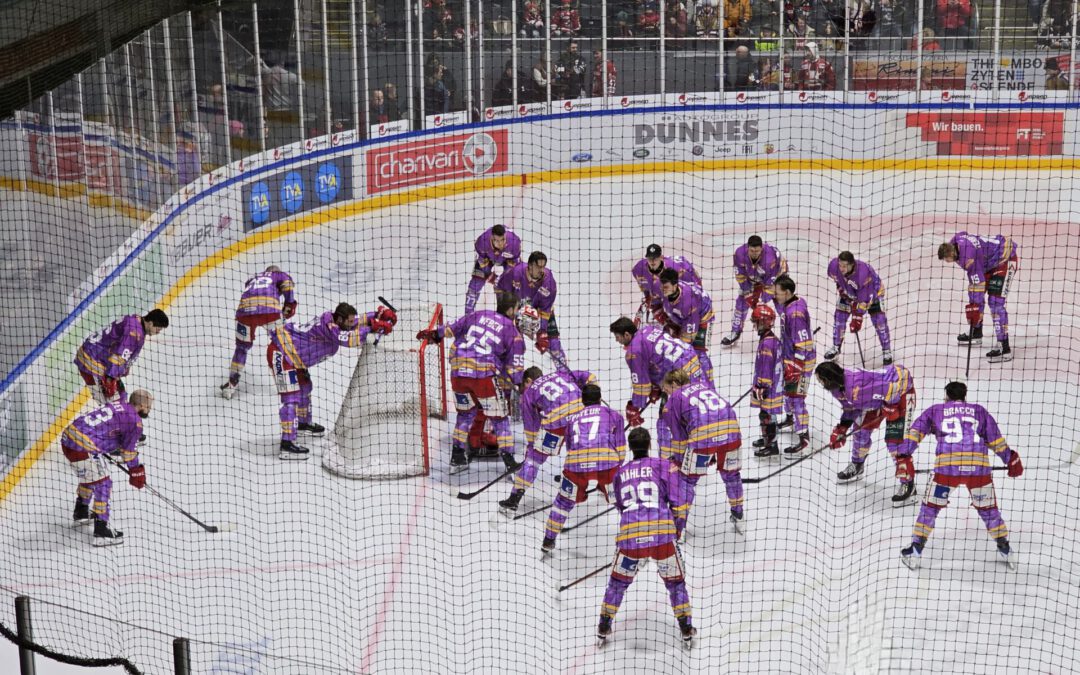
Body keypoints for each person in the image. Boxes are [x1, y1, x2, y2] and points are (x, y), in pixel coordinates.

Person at [896, 381, 1021, 570]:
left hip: (947, 470)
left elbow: (915, 433)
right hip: (978, 469)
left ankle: (915, 551)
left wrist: (904, 456)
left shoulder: (936, 410)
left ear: (946, 395)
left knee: (930, 508)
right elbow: (995, 439)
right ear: (964, 396)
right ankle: (1005, 549)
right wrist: (1010, 458)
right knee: (989, 510)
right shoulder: (979, 411)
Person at [597, 427, 696, 645]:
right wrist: (676, 529)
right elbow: (679, 502)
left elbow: (619, 505)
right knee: (675, 583)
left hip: (631, 538)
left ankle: (604, 624)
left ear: (630, 447)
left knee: (617, 583)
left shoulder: (619, 473)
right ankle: (686, 627)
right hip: (662, 536)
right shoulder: (664, 465)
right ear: (650, 444)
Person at [269, 303, 396, 460]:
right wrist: (374, 327)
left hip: (295, 359)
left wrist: (378, 315)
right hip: (281, 354)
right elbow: (350, 339)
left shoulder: (337, 320)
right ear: (340, 319)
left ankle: (302, 423)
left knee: (305, 388)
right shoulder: (330, 328)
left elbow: (358, 319)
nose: (352, 324)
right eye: (349, 322)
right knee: (291, 398)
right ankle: (287, 444)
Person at [417, 294, 528, 473]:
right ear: (510, 310)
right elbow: (515, 370)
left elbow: (448, 329)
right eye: (516, 308)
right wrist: (518, 386)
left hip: (458, 372)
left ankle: (457, 458)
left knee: (465, 415)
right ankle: (510, 462)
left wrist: (434, 335)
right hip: (483, 376)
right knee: (499, 418)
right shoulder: (512, 332)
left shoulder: (477, 314)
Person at [816, 361, 918, 505]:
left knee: (895, 442)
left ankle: (908, 484)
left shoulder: (856, 387)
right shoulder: (837, 389)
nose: (820, 383)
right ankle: (857, 465)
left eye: (821, 380)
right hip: (879, 397)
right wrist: (842, 428)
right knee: (860, 431)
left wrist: (891, 407)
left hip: (900, 390)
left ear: (828, 379)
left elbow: (892, 389)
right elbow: (851, 408)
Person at [62, 390, 154, 546]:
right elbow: (128, 453)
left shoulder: (119, 405)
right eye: (149, 406)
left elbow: (106, 430)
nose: (149, 409)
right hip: (82, 446)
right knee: (103, 483)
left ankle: (81, 512)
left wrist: (103, 446)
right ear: (142, 406)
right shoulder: (135, 422)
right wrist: (136, 471)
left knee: (91, 476)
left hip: (68, 438)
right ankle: (101, 531)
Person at [499, 366, 595, 513]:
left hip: (556, 422)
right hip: (583, 416)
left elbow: (531, 427)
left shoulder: (528, 393)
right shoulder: (561, 374)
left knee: (534, 460)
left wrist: (532, 447)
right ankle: (601, 488)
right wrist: (594, 400)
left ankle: (514, 499)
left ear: (528, 381)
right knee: (580, 451)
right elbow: (589, 376)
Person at [541, 383, 624, 551]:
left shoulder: (572, 419)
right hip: (606, 463)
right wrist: (610, 480)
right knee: (622, 500)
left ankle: (548, 540)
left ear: (582, 401)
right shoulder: (614, 414)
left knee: (563, 501)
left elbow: (570, 448)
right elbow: (621, 448)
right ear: (600, 399)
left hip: (576, 465)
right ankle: (636, 538)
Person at [609, 317, 706, 459]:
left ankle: (669, 460)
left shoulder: (633, 352)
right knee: (691, 413)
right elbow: (659, 360)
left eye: (618, 337)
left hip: (679, 378)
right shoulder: (648, 329)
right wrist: (657, 386)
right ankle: (700, 447)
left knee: (666, 420)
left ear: (627, 334)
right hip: (693, 363)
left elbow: (641, 386)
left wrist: (634, 407)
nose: (617, 341)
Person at [661, 369, 744, 534]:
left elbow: (679, 438)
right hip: (732, 432)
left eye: (667, 388)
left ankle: (678, 529)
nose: (665, 391)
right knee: (732, 475)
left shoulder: (673, 400)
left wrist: (680, 461)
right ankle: (738, 514)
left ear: (674, 384)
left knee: (686, 480)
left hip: (703, 439)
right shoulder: (704, 385)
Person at [937, 232, 1019, 362]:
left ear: (951, 254)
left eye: (946, 259)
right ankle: (976, 332)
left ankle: (1004, 347)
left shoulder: (968, 258)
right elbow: (963, 233)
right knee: (974, 295)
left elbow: (978, 285)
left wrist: (974, 311)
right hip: (987, 262)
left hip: (1005, 259)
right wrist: (974, 310)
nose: (947, 262)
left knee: (995, 303)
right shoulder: (955, 241)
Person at [221, 266, 296, 399]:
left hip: (244, 312)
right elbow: (288, 286)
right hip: (269, 312)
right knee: (283, 345)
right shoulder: (279, 275)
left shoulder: (253, 278)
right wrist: (289, 306)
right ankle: (286, 385)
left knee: (241, 349)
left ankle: (231, 385)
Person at [75, 309, 169, 406]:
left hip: (95, 356)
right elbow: (118, 356)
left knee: (120, 400)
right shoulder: (134, 333)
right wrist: (110, 379)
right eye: (158, 329)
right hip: (91, 360)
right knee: (112, 405)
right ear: (150, 323)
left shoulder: (135, 320)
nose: (158, 332)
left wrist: (121, 371)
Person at [496, 251, 567, 367]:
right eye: (538, 266)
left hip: (540, 310)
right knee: (516, 345)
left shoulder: (549, 283)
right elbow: (499, 287)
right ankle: (507, 370)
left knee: (553, 343)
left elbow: (545, 309)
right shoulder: (515, 272)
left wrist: (541, 332)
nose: (541, 270)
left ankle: (564, 373)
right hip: (517, 309)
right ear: (529, 266)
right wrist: (506, 313)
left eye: (543, 266)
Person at [773, 274, 817, 457]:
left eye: (777, 293)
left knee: (797, 397)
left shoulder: (795, 313)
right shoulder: (791, 303)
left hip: (802, 362)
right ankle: (791, 419)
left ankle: (804, 438)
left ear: (787, 292)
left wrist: (797, 366)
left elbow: (804, 344)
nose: (775, 296)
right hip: (790, 358)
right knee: (787, 392)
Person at [824, 251, 894, 365]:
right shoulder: (833, 266)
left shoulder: (863, 274)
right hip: (849, 293)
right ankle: (836, 348)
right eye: (840, 265)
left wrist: (857, 319)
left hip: (872, 294)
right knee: (839, 317)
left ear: (852, 265)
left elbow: (863, 303)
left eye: (844, 266)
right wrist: (842, 291)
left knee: (879, 321)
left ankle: (887, 351)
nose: (841, 268)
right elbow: (837, 280)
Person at [723, 235, 786, 347]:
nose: (754, 253)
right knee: (742, 301)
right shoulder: (739, 254)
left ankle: (787, 335)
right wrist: (748, 294)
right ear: (748, 248)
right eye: (752, 251)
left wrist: (761, 301)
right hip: (753, 277)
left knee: (781, 303)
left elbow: (770, 285)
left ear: (762, 248)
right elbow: (741, 277)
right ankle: (735, 331)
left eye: (757, 251)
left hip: (777, 276)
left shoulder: (770, 259)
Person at [656, 268, 716, 381]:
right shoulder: (666, 290)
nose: (662, 289)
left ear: (675, 286)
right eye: (661, 286)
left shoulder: (688, 303)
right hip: (682, 316)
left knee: (698, 351)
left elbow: (688, 338)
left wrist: (680, 345)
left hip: (703, 317)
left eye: (666, 287)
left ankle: (708, 383)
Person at [631, 244, 700, 328]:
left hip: (681, 290)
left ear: (661, 257)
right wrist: (648, 296)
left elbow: (695, 285)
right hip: (661, 293)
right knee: (669, 325)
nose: (652, 261)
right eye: (649, 258)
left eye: (655, 258)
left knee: (684, 317)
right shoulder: (639, 269)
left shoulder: (678, 270)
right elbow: (644, 287)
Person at [749, 305, 784, 457]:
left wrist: (761, 386)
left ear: (762, 323)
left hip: (769, 387)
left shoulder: (766, 344)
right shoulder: (772, 339)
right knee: (766, 414)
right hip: (775, 385)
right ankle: (767, 439)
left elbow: (765, 367)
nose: (754, 325)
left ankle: (772, 445)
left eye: (756, 322)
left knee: (767, 416)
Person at [465, 224, 522, 315]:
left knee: (511, 286)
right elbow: (482, 264)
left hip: (508, 260)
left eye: (503, 240)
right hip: (487, 258)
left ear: (505, 236)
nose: (500, 243)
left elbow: (514, 268)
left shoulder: (514, 243)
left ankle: (506, 315)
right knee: (474, 285)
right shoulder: (482, 242)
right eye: (497, 240)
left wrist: (501, 279)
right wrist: (491, 276)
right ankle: (468, 315)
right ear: (492, 238)